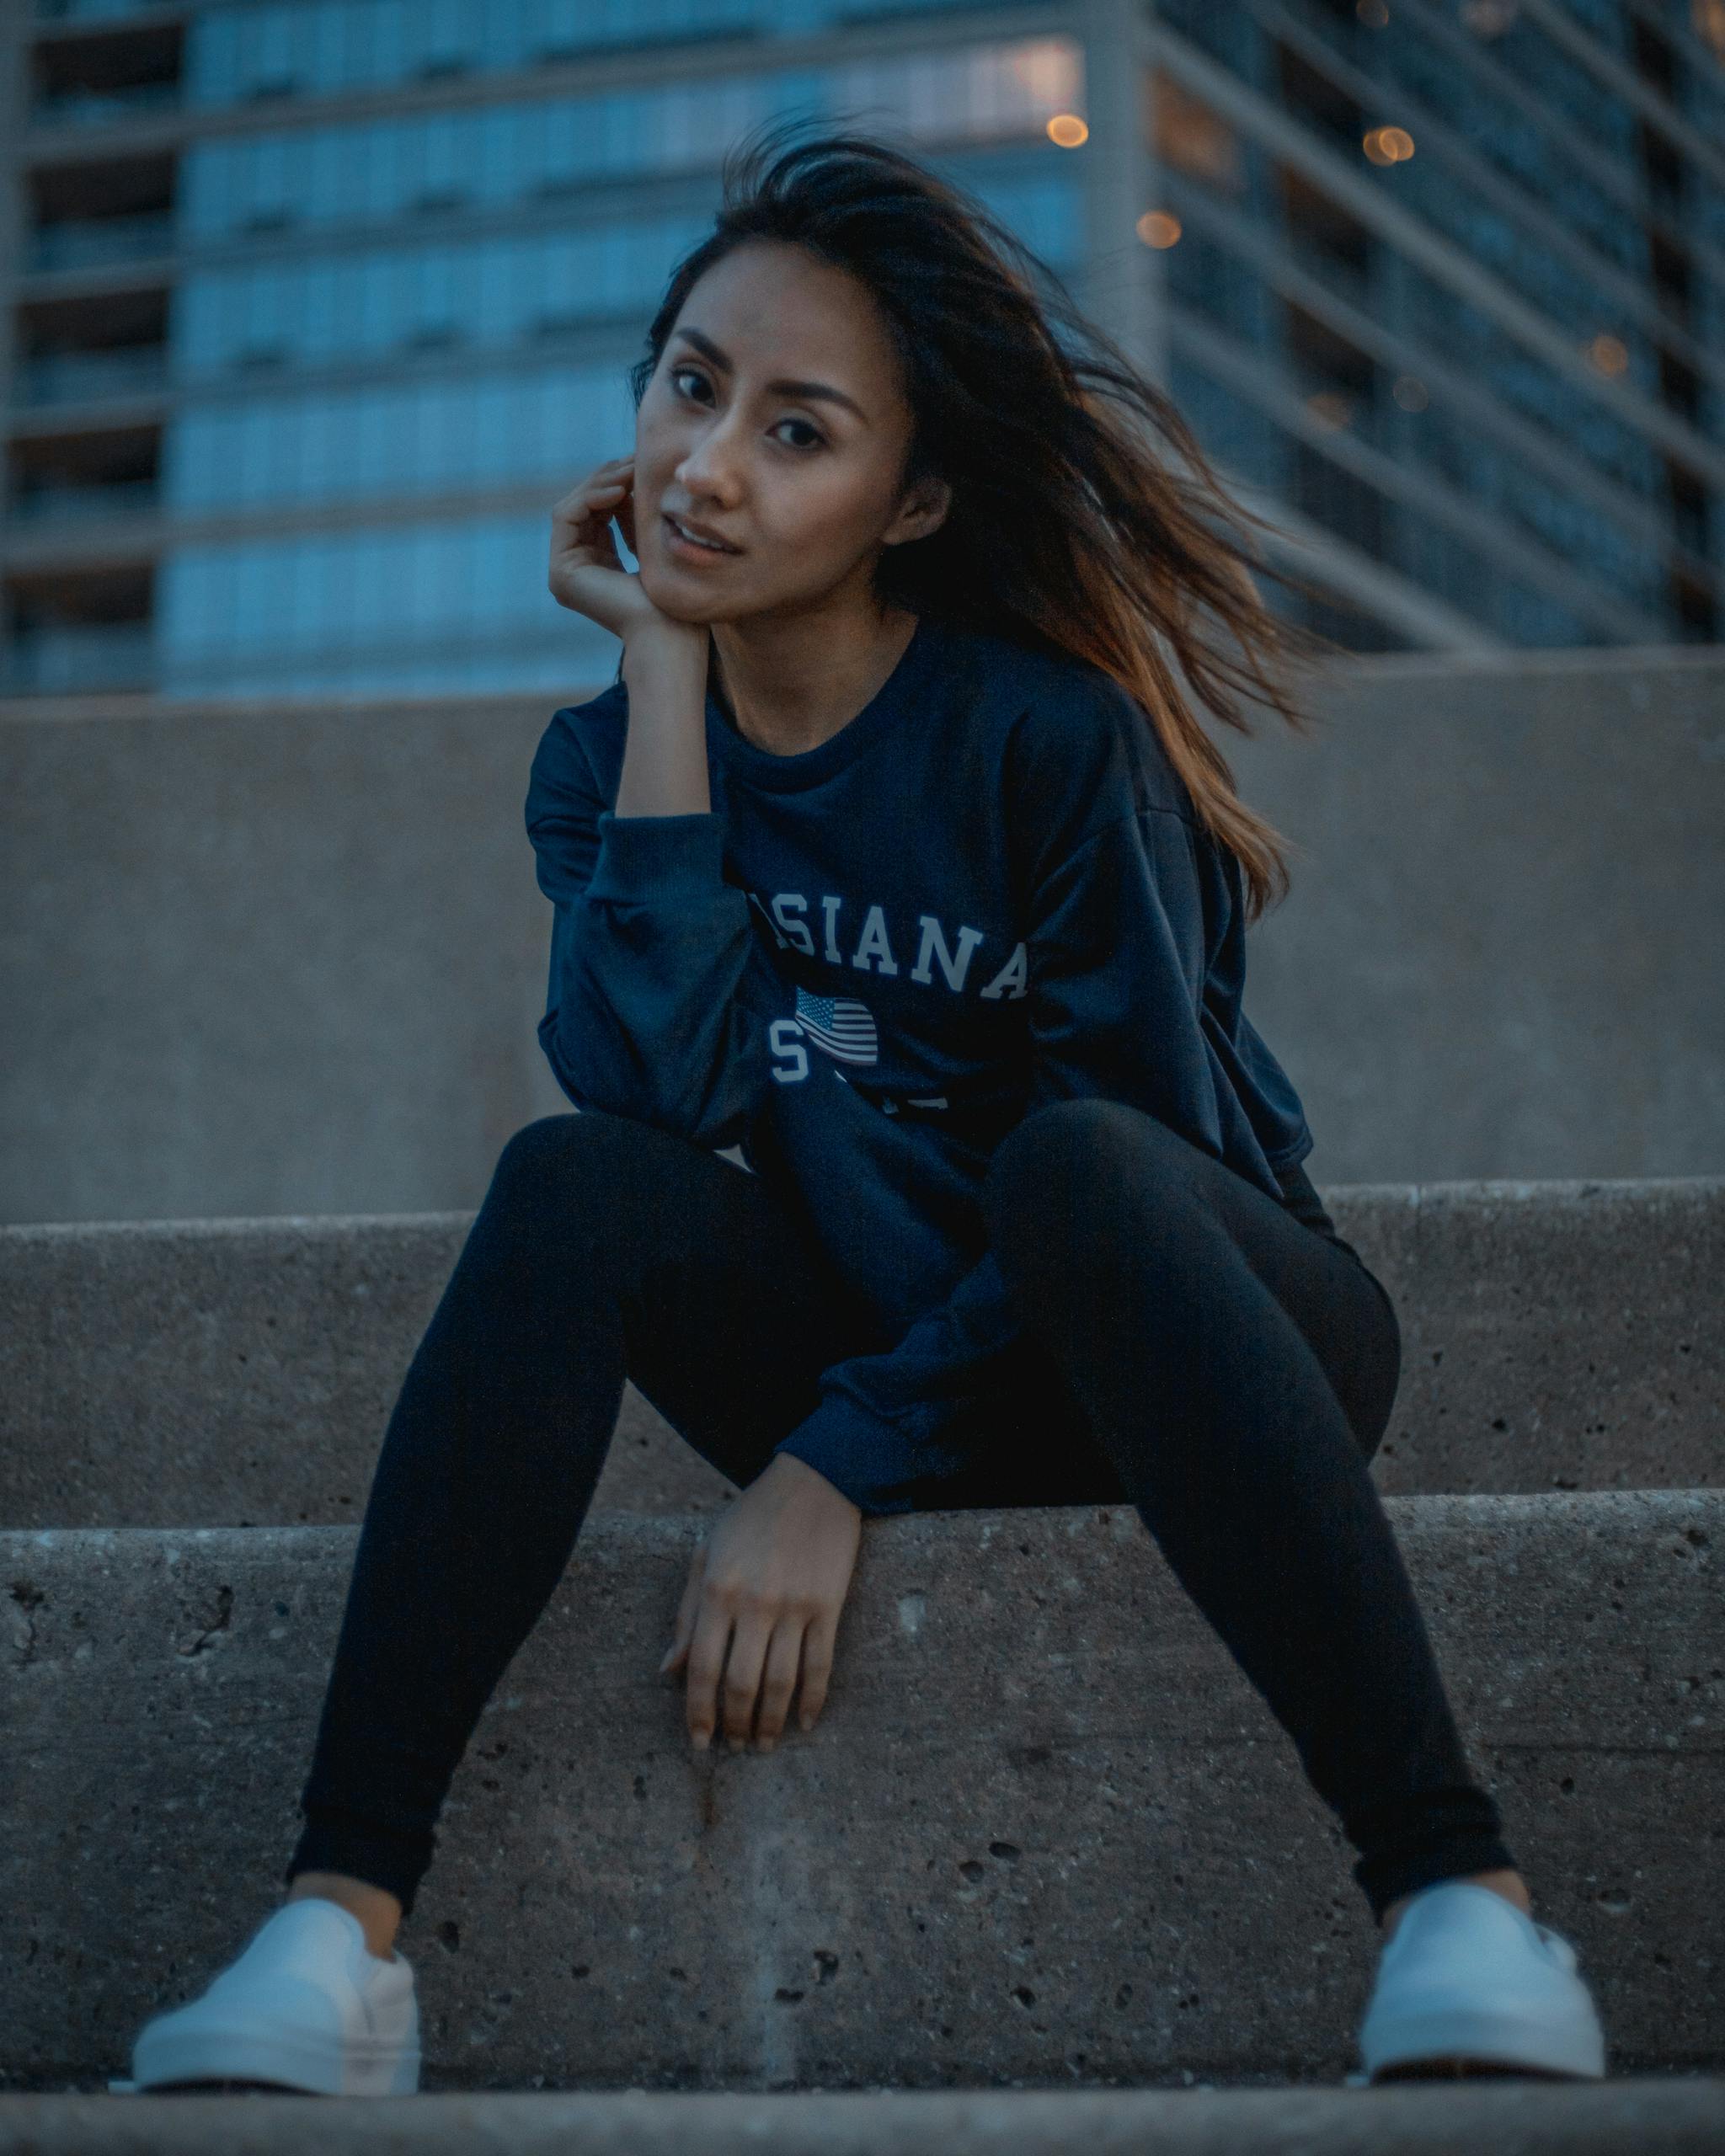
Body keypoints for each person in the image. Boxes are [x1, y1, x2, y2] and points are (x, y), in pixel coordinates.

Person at [129, 122, 1606, 2097]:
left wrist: (834, 1463)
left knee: (1069, 1159)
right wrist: (664, 673)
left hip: (1190, 1338)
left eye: (797, 430)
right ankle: (339, 1933)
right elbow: (660, 1097)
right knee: (571, 1182)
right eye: (689, 387)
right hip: (885, 1323)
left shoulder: (1047, 741)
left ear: (913, 499)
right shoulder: (602, 768)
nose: (707, 465)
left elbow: (1145, 1147)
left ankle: (1463, 1902)